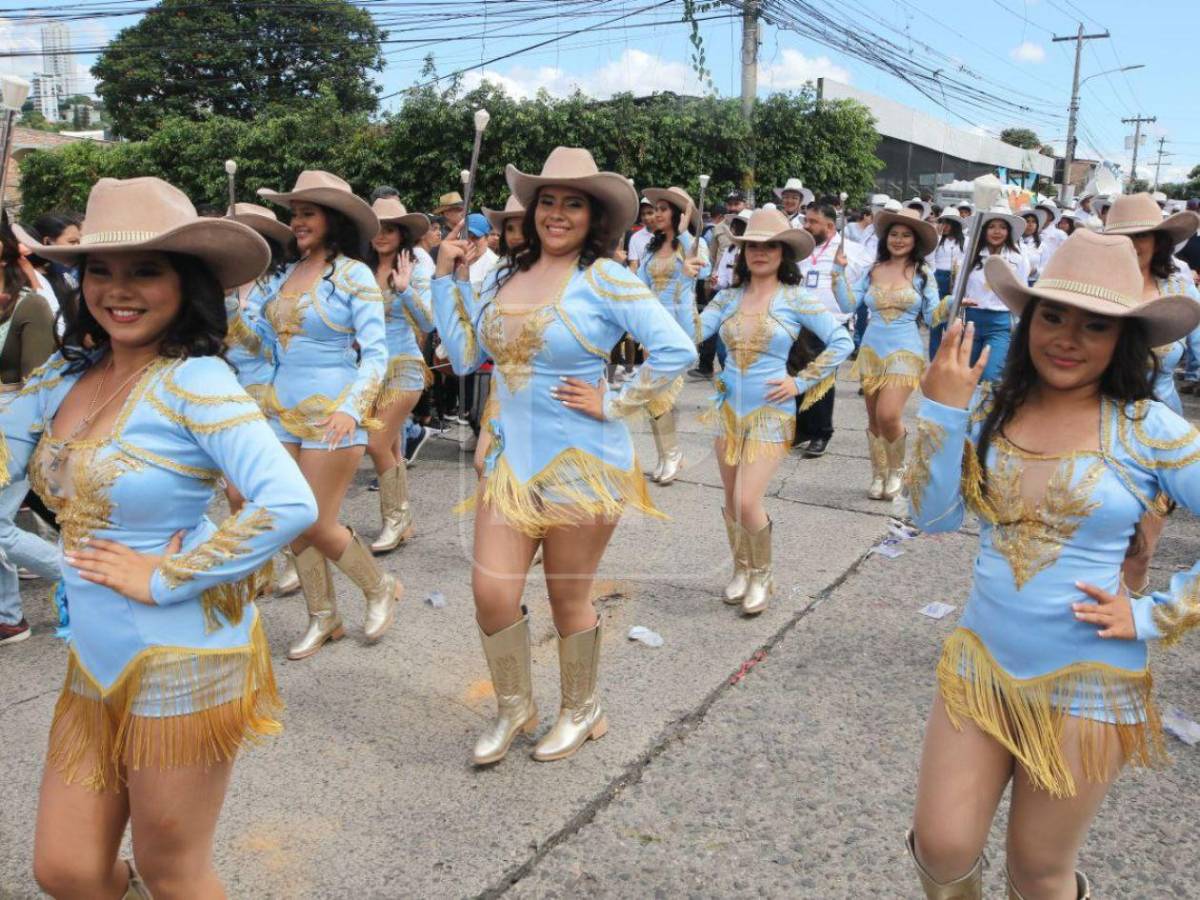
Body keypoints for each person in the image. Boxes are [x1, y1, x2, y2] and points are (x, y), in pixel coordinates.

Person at [12, 176, 316, 899]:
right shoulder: (67, 373)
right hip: (94, 656)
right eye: (101, 271)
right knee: (68, 871)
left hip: (184, 655)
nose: (119, 290)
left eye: (145, 270)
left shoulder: (196, 381)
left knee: (171, 869)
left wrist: (162, 577)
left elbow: (288, 501)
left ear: (185, 283)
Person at [903, 229, 1200, 900]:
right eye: (1054, 316)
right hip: (980, 666)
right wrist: (943, 411)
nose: (1068, 337)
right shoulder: (989, 407)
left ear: (1122, 339)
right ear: (1028, 319)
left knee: (1038, 871)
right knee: (942, 846)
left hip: (1089, 684)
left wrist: (1157, 613)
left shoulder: (1147, 427)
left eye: (1096, 325)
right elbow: (933, 516)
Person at [431, 146, 696, 765]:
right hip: (510, 466)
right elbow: (470, 358)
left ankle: (581, 709)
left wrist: (617, 402)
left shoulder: (605, 278)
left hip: (583, 464)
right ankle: (514, 705)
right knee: (491, 592)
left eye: (571, 203)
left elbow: (676, 349)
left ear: (592, 215)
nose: (555, 213)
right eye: (546, 201)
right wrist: (446, 280)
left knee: (566, 599)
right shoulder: (505, 276)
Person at [255, 170, 399, 660]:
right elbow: (264, 344)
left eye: (307, 213)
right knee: (290, 519)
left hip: (334, 410)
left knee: (317, 521)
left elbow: (375, 355)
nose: (296, 222)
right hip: (280, 410)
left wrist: (351, 409)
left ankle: (378, 586)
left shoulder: (354, 275)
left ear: (332, 219)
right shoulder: (283, 275)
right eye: (293, 213)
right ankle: (324, 617)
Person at [697, 209, 851, 614]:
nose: (759, 253)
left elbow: (841, 341)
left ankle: (763, 576)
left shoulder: (796, 299)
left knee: (748, 499)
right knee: (731, 500)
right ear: (742, 253)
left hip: (772, 412)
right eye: (752, 247)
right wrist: (682, 285)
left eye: (769, 246)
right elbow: (691, 334)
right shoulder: (727, 298)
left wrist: (799, 382)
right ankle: (742, 569)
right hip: (728, 411)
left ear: (783, 253)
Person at [1101, 193, 1200, 600]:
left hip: (1159, 434)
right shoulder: (1091, 284)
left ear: (1159, 240)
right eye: (1123, 236)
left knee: (1139, 552)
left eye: (1142, 235)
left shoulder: (1178, 285)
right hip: (1093, 426)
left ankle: (1129, 622)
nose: (1133, 243)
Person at [833, 208, 939, 499]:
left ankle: (897, 469)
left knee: (889, 414)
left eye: (906, 235)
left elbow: (932, 317)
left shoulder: (922, 274)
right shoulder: (873, 270)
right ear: (885, 238)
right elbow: (847, 303)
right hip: (871, 351)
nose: (899, 239)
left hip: (905, 351)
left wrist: (953, 303)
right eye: (894, 234)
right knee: (874, 420)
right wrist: (838, 271)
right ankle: (879, 475)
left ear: (915, 240)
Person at [0, 217, 59, 646]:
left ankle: (78, 576)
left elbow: (38, 386)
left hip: (13, 422)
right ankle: (8, 616)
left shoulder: (29, 305)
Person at [364, 197, 435, 554]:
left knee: (375, 443)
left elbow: (428, 322)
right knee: (390, 446)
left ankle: (395, 520)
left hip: (405, 365)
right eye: (377, 227)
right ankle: (399, 520)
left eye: (389, 228)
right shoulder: (360, 270)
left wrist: (405, 290)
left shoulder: (415, 268)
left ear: (401, 234)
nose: (382, 235)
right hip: (369, 370)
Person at [638, 185, 711, 484]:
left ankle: (671, 454)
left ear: (680, 214)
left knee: (661, 394)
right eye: (655, 209)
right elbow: (639, 287)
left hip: (679, 328)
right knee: (651, 396)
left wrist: (683, 233)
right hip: (652, 329)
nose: (657, 214)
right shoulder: (650, 248)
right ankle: (666, 454)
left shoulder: (693, 245)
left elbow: (703, 272)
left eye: (664, 209)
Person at [794, 203, 866, 457]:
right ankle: (802, 429)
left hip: (831, 324)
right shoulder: (802, 248)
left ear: (829, 226)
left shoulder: (851, 250)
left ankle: (821, 433)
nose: (806, 226)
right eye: (806, 220)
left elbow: (861, 284)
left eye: (812, 222)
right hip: (800, 323)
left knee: (821, 379)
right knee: (797, 375)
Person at [958, 206, 1029, 385]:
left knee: (990, 376)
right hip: (972, 323)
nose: (997, 232)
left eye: (1002, 227)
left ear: (1009, 231)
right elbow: (958, 288)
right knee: (967, 376)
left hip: (1000, 324)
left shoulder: (1017, 258)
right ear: (983, 230)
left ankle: (985, 413)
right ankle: (968, 412)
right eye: (992, 226)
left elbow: (1023, 293)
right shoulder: (971, 255)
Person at [927, 212, 966, 359]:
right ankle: (934, 358)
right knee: (936, 320)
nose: (945, 227)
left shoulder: (965, 241)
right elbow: (929, 259)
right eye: (942, 223)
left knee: (954, 322)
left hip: (956, 279)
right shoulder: (937, 240)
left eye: (948, 223)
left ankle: (952, 358)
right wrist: (936, 237)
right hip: (938, 278)